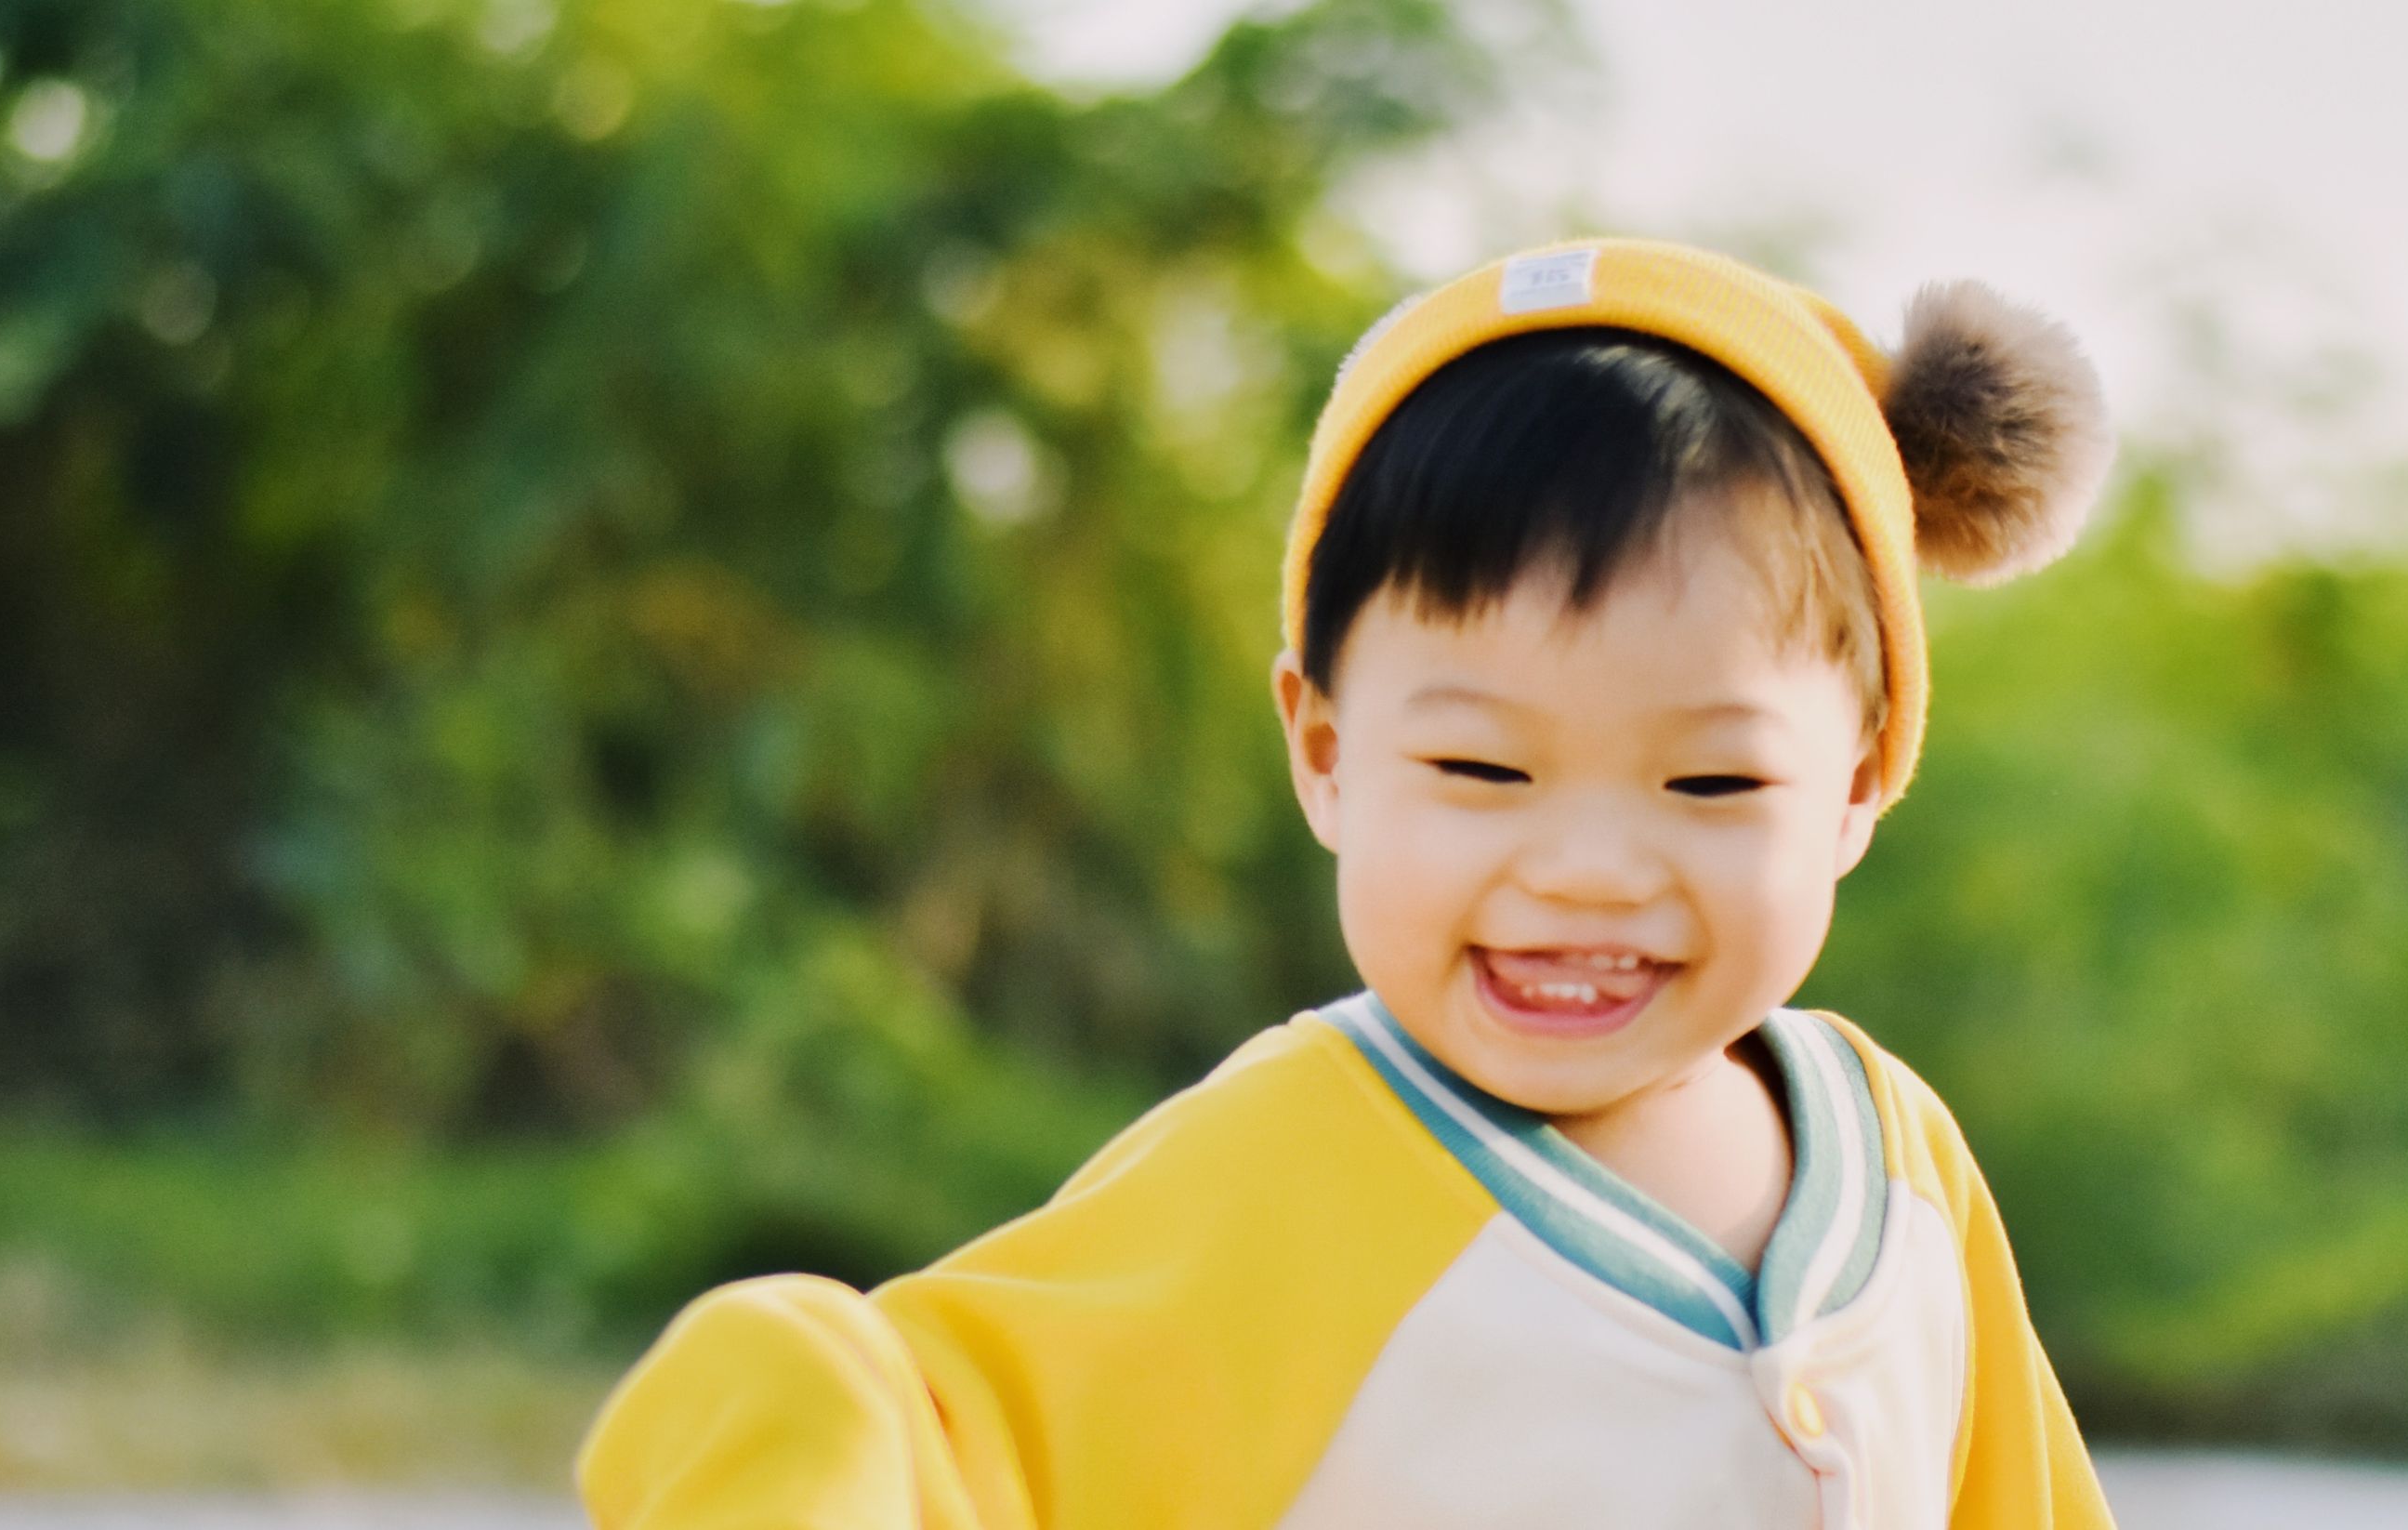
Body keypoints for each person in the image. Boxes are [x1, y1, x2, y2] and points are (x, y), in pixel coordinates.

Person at [573, 238, 2121, 1529]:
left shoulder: (1898, 1156)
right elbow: (941, 1425)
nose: (1585, 873)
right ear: (1324, 749)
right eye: (1481, 773)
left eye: (1710, 782)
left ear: (1858, 782)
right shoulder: (1298, 1162)